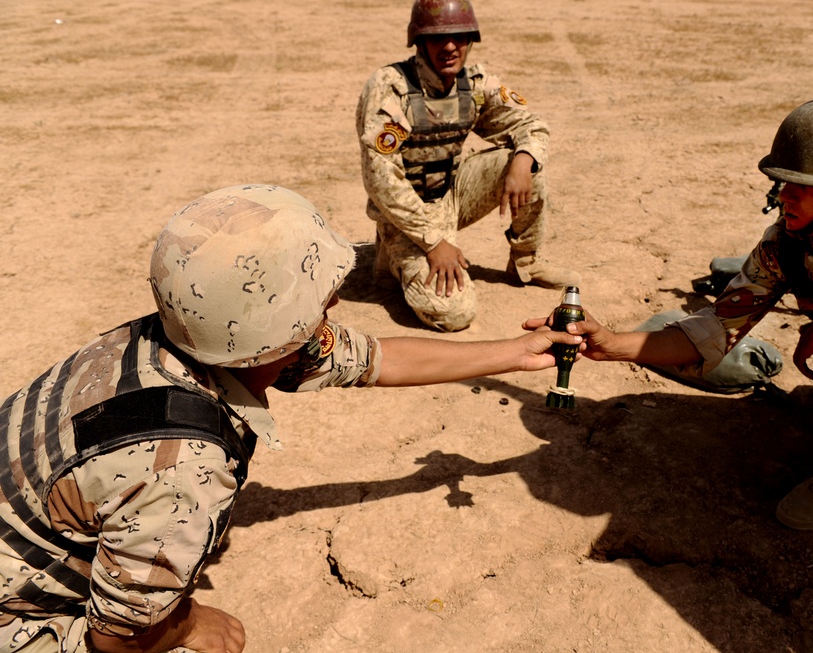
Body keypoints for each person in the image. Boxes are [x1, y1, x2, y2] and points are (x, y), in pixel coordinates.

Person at [0, 184, 582, 652]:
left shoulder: (178, 338)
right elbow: (118, 637)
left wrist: (512, 353)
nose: (332, 306)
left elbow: (371, 359)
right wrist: (188, 623)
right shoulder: (184, 465)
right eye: (320, 301)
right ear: (272, 338)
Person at [531, 95, 813, 531]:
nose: (782, 196)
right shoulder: (790, 244)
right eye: (783, 181)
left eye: (802, 185)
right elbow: (716, 328)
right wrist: (611, 344)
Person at [355, 0, 580, 332]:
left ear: (470, 40)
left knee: (529, 163)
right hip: (405, 214)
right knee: (453, 314)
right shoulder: (391, 87)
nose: (449, 47)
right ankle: (393, 258)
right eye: (437, 39)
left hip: (452, 193)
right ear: (419, 42)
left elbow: (530, 124)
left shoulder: (474, 84)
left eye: (459, 37)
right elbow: (381, 180)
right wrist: (434, 242)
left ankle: (526, 262)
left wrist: (522, 160)